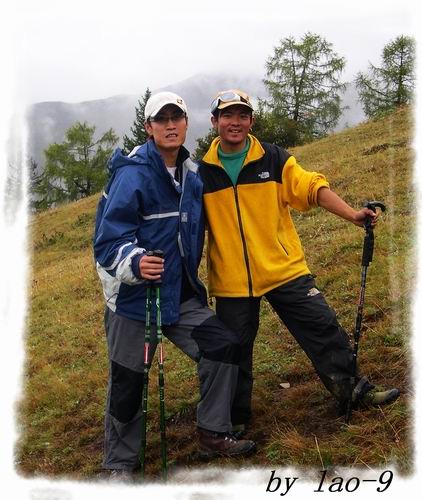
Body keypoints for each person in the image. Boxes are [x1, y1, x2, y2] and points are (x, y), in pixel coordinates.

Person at [198, 89, 400, 437]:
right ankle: (234, 418)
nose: (235, 122)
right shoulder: (201, 174)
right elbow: (186, 224)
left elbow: (310, 186)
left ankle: (353, 391)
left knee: (322, 326)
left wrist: (352, 214)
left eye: (242, 115)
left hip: (283, 268)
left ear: (251, 121)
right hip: (232, 280)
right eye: (228, 115)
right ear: (214, 121)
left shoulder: (273, 159)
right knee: (234, 349)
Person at [93, 91, 256, 481]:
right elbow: (107, 241)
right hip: (133, 300)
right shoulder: (132, 175)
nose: (170, 125)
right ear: (148, 128)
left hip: (179, 295)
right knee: (128, 381)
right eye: (161, 120)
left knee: (223, 345)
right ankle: (119, 464)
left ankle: (212, 432)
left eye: (176, 118)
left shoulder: (193, 175)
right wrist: (135, 262)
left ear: (186, 123)